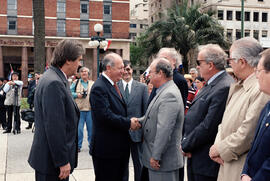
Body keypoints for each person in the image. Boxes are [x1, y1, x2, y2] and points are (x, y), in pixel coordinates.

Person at [209, 37, 269, 181]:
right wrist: (217, 147)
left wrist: (220, 149)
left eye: (230, 59)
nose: (229, 64)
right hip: (226, 162)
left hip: (237, 167)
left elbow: (247, 133)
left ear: (242, 62)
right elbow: (223, 125)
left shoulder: (260, 90)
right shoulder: (238, 87)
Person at [28, 39, 83, 181]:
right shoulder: (54, 83)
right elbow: (54, 127)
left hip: (49, 161)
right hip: (52, 164)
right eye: (78, 60)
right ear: (68, 60)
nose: (80, 64)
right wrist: (62, 161)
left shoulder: (54, 78)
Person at [181, 44, 234, 181]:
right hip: (196, 156)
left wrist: (186, 145)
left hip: (206, 161)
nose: (197, 67)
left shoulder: (224, 87)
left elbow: (209, 125)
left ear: (210, 65)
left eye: (199, 63)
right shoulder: (211, 83)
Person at [89, 53, 141, 181]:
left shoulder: (113, 85)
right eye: (120, 68)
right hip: (107, 151)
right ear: (108, 68)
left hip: (118, 150)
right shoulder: (99, 87)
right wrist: (128, 123)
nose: (123, 71)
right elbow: (105, 116)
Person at [139, 58, 184, 181]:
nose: (148, 75)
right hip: (160, 161)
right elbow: (153, 115)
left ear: (161, 73)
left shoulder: (169, 95)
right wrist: (138, 122)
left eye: (151, 72)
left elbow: (164, 129)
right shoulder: (162, 90)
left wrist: (156, 156)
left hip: (163, 163)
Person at [241, 48, 270, 181]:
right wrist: (245, 173)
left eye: (258, 71)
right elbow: (255, 147)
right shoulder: (267, 106)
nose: (256, 76)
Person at [117, 60, 148, 181]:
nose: (126, 72)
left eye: (128, 69)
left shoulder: (142, 88)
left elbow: (146, 112)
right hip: (121, 133)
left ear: (132, 70)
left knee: (139, 164)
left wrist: (145, 132)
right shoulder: (115, 87)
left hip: (137, 134)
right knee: (122, 165)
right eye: (124, 69)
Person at [70, 67, 94, 152]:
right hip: (79, 110)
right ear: (80, 74)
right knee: (79, 130)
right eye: (82, 72)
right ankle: (78, 146)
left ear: (88, 74)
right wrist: (77, 95)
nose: (84, 73)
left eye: (86, 72)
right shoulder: (75, 83)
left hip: (90, 110)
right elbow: (69, 93)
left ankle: (92, 146)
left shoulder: (92, 83)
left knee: (91, 130)